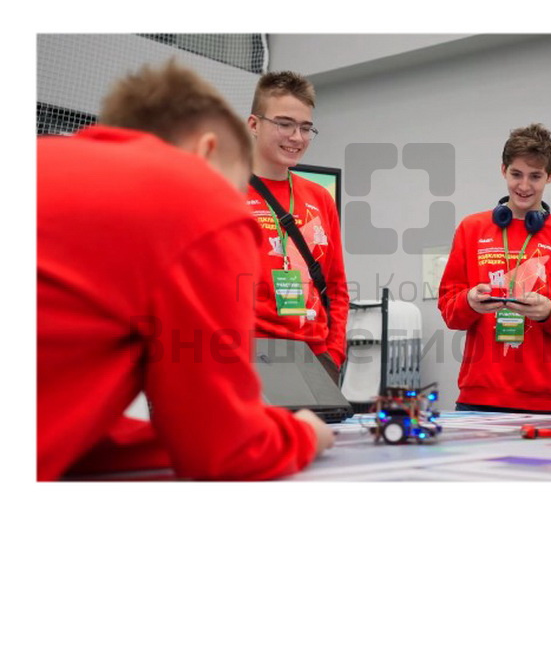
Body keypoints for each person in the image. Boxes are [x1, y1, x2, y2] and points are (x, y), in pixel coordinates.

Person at [37, 60, 334, 481]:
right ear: (206, 150)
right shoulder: (196, 202)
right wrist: (303, 434)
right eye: (235, 186)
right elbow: (224, 451)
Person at [438, 123, 551, 413]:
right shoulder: (471, 229)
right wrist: (469, 301)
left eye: (535, 176)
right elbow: (450, 312)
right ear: (503, 170)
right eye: (516, 174)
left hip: (547, 400)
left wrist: (550, 311)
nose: (524, 186)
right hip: (480, 397)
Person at [245, 71, 349, 379]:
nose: (297, 137)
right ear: (254, 125)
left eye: (305, 127)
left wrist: (333, 355)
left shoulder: (320, 198)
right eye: (284, 124)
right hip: (245, 353)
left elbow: (336, 286)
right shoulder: (221, 190)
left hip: (314, 358)